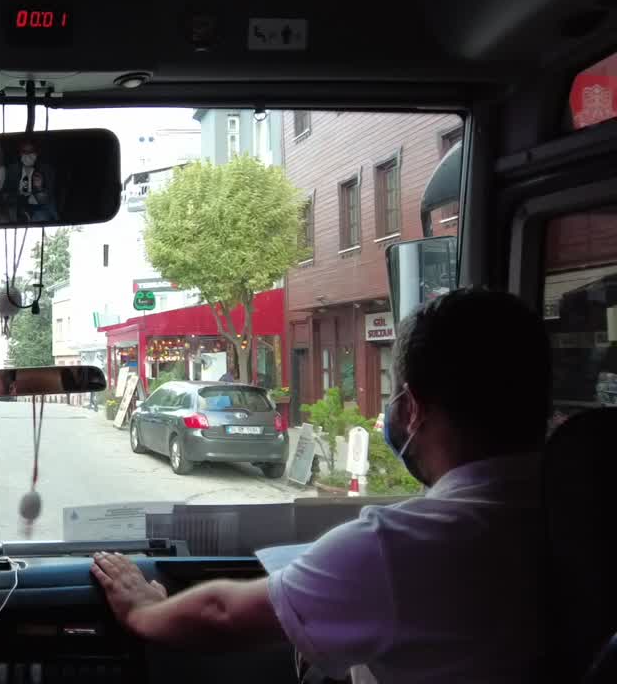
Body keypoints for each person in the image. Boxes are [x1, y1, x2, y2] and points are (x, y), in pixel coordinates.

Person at [91, 288, 551, 683]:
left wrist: (142, 611)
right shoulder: (581, 513)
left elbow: (222, 614)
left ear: (411, 408)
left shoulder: (397, 546)